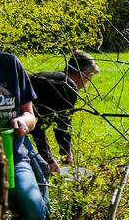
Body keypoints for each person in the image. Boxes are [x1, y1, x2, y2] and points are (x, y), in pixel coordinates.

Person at [0, 52, 41, 220]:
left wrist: (23, 123)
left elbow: (29, 114)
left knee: (33, 210)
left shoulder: (8, 64)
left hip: (13, 155)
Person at [29, 51, 99, 180]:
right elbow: (44, 128)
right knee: (41, 173)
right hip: (12, 127)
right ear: (84, 74)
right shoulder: (67, 87)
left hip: (13, 122)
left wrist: (65, 152)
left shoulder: (56, 80)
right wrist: (49, 159)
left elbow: (59, 124)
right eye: (90, 76)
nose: (89, 81)